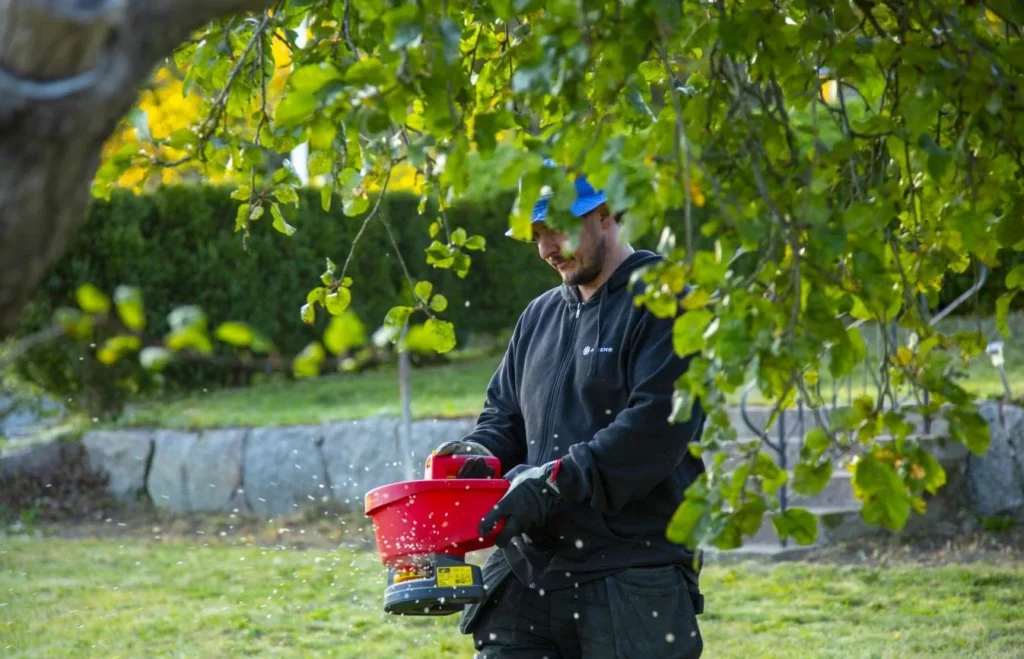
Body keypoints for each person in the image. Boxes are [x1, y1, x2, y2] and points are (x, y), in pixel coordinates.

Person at [434, 164, 707, 659]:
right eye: (536, 235)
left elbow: (653, 429)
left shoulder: (669, 304)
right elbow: (505, 418)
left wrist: (552, 481)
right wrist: (476, 456)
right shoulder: (538, 315)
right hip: (525, 572)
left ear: (605, 213)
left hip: (631, 573)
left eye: (556, 228)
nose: (544, 249)